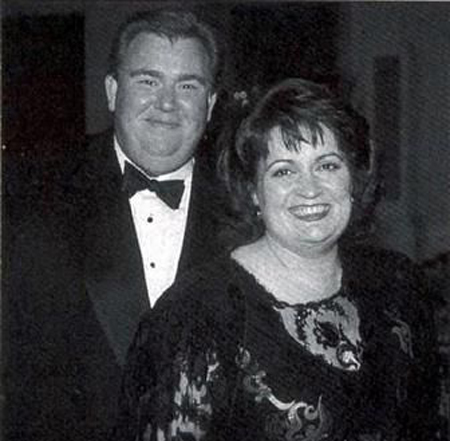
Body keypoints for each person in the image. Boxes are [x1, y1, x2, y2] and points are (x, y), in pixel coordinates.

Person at [115, 78, 439, 440]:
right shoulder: (197, 316)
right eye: (283, 171)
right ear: (253, 191)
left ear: (355, 178)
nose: (310, 189)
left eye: (328, 165)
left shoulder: (398, 285)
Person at [4, 8, 227, 441]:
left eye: (187, 86)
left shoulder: (250, 207)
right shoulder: (30, 198)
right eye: (147, 80)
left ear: (211, 104)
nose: (166, 104)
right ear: (111, 91)